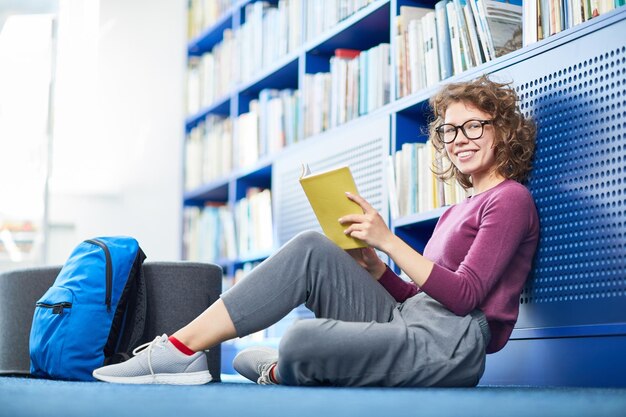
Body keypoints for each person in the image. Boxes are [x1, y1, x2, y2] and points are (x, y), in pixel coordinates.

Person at [92, 75, 539, 387]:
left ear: (504, 132)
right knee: (312, 248)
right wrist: (375, 269)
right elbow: (417, 299)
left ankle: (287, 366)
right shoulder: (454, 211)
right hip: (411, 323)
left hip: (450, 347)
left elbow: (463, 297)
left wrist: (387, 241)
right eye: (450, 130)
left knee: (300, 339)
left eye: (474, 126)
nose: (460, 138)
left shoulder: (511, 199)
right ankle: (179, 349)